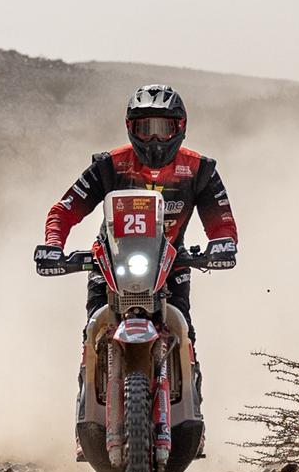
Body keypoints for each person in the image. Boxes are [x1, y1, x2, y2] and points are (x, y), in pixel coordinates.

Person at [33, 84, 239, 354]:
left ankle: (189, 374)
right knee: (94, 331)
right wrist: (54, 244)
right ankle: (89, 376)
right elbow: (65, 210)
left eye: (163, 129)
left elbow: (221, 220)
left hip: (172, 263)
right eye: (145, 129)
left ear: (180, 127)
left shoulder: (199, 169)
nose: (154, 139)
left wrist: (223, 243)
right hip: (109, 264)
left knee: (183, 330)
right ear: (130, 127)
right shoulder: (108, 164)